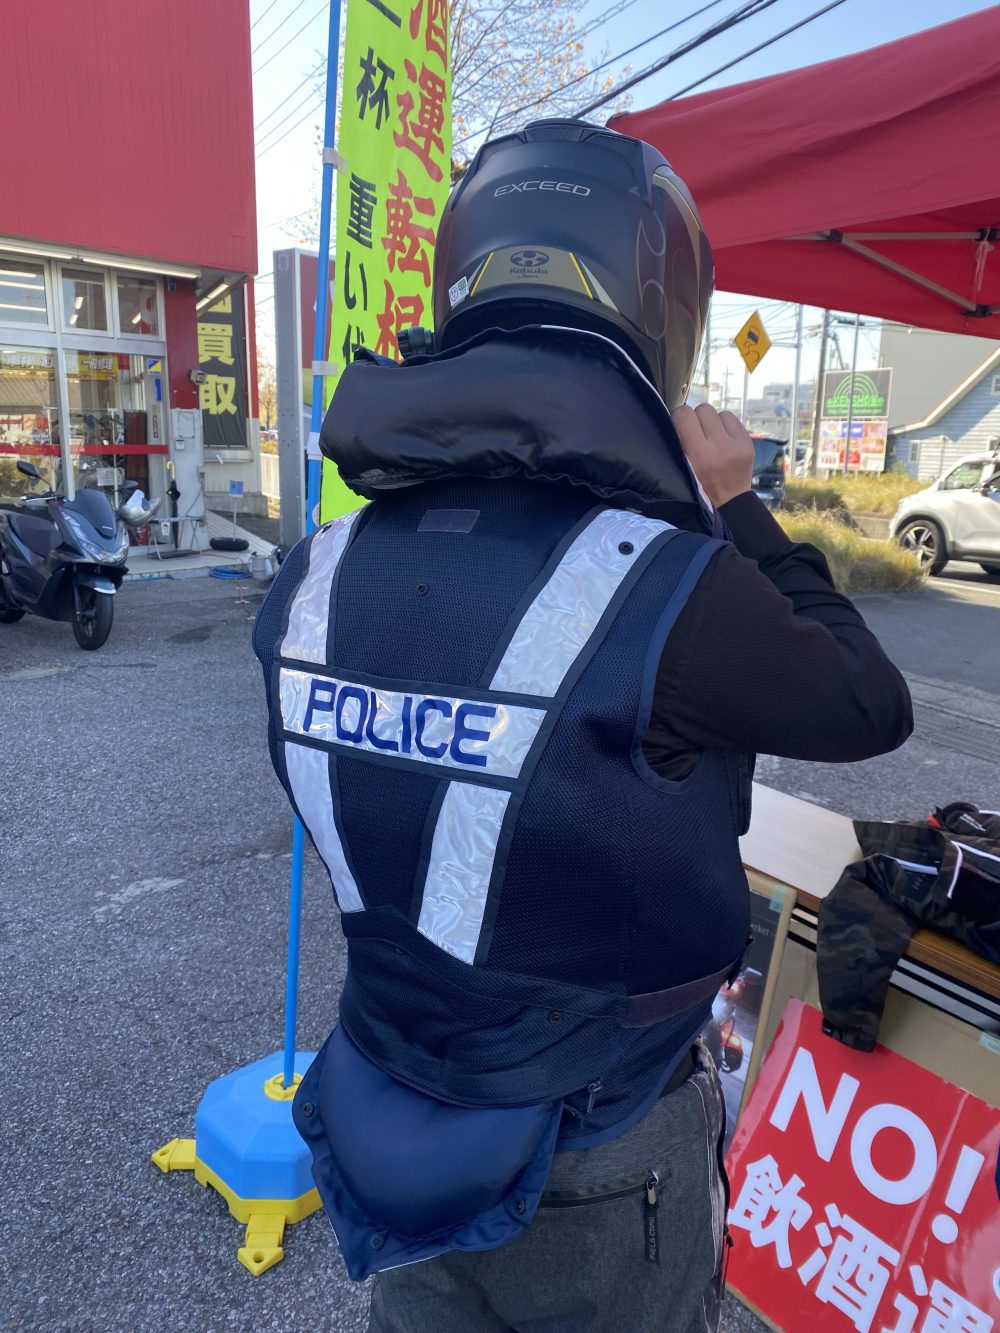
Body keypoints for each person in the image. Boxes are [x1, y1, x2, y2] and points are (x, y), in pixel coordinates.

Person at [253, 119, 912, 1333]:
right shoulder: (668, 583)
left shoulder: (314, 573)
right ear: (660, 304)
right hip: (609, 1136)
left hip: (388, 1102)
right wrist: (737, 502)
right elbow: (868, 702)